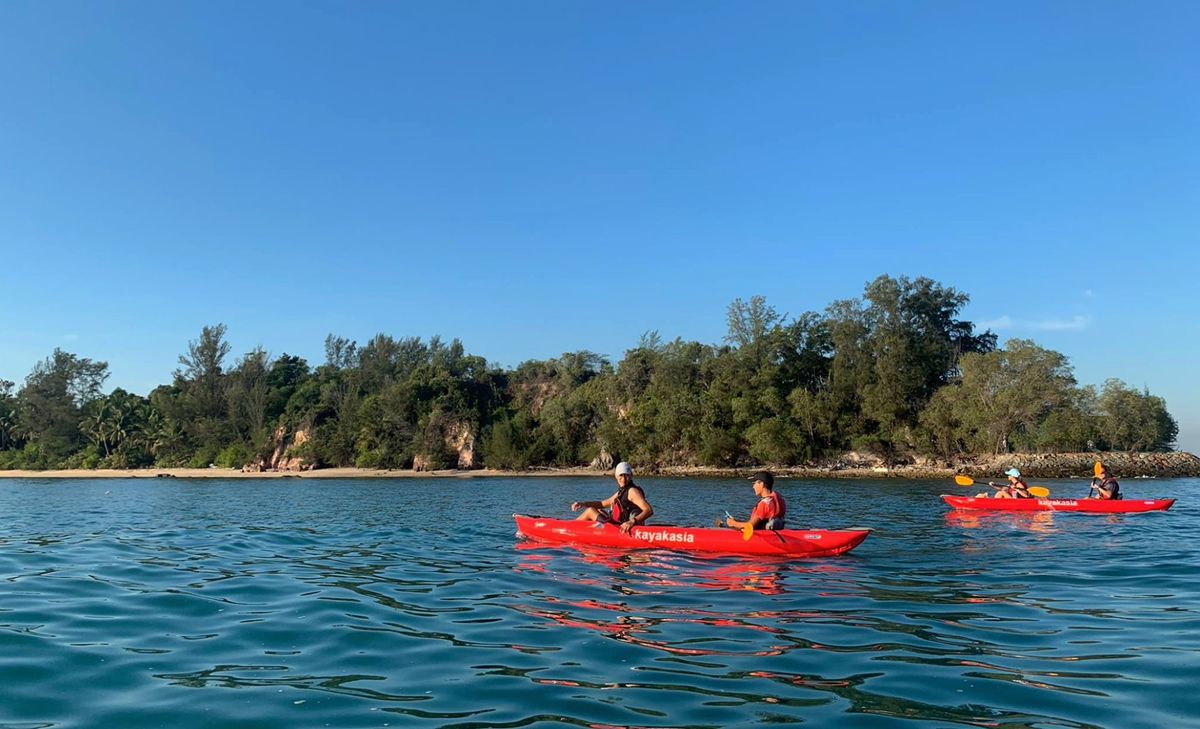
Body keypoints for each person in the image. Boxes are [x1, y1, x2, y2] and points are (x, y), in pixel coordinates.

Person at [571, 461, 653, 534]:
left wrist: (632, 522)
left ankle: (569, 528)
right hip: (620, 525)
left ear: (631, 476)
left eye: (626, 476)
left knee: (590, 511)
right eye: (621, 476)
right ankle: (581, 529)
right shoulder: (622, 491)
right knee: (600, 511)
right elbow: (602, 504)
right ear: (616, 477)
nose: (623, 479)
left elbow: (649, 510)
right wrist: (583, 504)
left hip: (621, 528)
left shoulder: (632, 491)